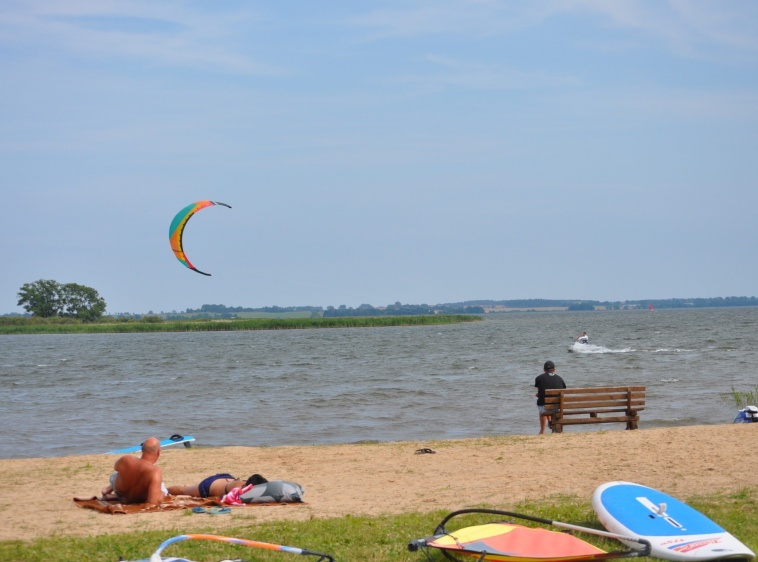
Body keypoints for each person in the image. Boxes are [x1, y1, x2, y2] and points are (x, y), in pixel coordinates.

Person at [101, 436, 167, 505]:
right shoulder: (155, 471)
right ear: (159, 452)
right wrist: (161, 494)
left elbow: (116, 468)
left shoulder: (126, 458)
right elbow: (153, 502)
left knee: (120, 472)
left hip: (120, 492)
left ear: (142, 449)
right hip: (138, 498)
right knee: (162, 488)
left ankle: (108, 490)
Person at [168, 473, 268, 498]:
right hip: (208, 486)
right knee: (183, 490)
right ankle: (165, 490)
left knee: (189, 488)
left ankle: (190, 486)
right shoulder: (238, 490)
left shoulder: (244, 483)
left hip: (226, 478)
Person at [534, 360, 566, 434]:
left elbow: (539, 393)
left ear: (544, 370)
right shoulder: (560, 379)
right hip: (558, 407)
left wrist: (538, 394)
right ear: (554, 369)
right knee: (551, 404)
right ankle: (556, 427)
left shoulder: (539, 378)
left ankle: (542, 431)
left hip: (545, 408)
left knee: (543, 406)